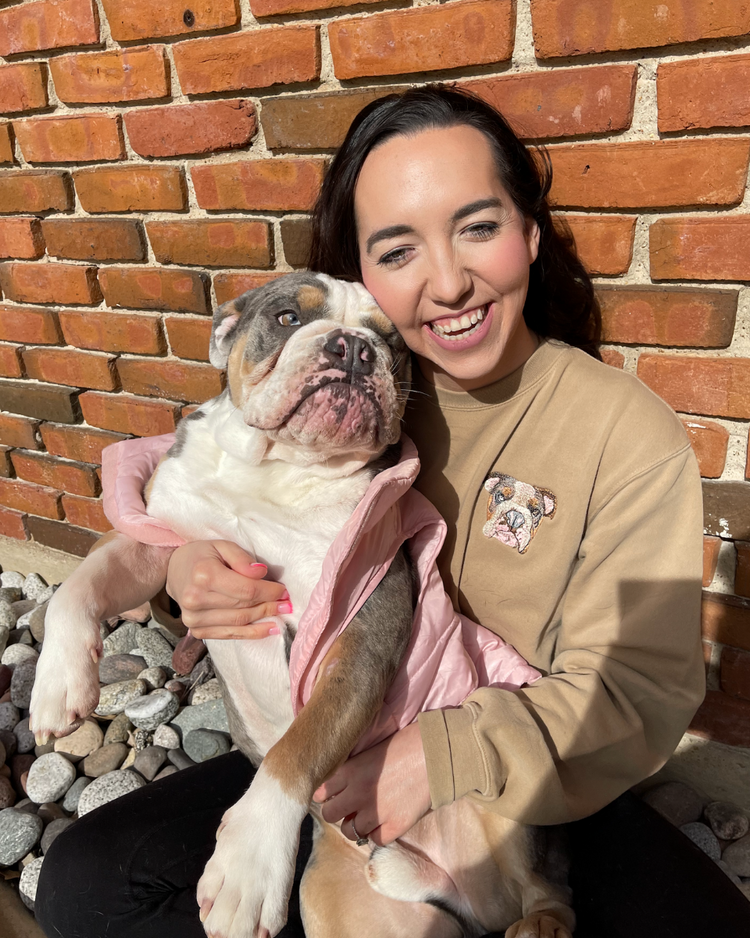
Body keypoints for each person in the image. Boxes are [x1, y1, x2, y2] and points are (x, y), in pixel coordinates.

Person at [36, 86, 750, 938]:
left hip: (525, 769)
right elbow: (206, 480)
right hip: (316, 743)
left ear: (529, 233)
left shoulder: (621, 430)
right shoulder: (346, 382)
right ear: (358, 270)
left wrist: (430, 759)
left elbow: (637, 691)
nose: (447, 282)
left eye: (479, 227)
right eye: (398, 248)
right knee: (82, 882)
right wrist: (184, 574)